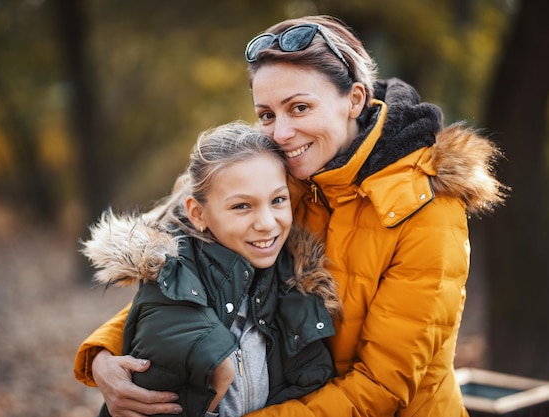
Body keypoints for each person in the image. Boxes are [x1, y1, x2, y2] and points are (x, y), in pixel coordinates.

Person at [74, 15, 508, 417]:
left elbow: (382, 387)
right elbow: (189, 276)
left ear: (354, 99)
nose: (280, 133)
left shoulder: (428, 206)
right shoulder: (280, 179)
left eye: (299, 108)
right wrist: (105, 357)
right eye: (267, 114)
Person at [80, 121, 341, 417]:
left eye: (278, 200)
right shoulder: (172, 291)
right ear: (198, 213)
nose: (267, 222)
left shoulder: (295, 282)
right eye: (242, 206)